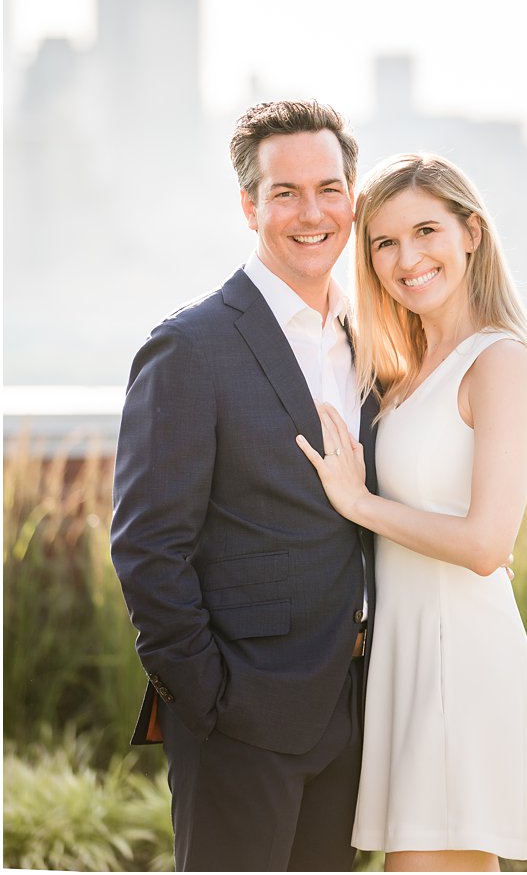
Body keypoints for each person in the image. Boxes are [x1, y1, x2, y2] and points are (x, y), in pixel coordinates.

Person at [112, 100, 376, 870]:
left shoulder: (366, 339)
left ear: (352, 196)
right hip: (240, 722)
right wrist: (212, 701)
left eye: (328, 188)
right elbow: (148, 549)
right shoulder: (189, 347)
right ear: (249, 205)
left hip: (353, 711)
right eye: (285, 192)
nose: (310, 211)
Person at [296, 152, 527, 871]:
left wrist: (360, 503)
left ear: (470, 232)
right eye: (384, 242)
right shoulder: (405, 367)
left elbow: (486, 543)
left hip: (460, 657)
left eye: (426, 231)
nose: (406, 258)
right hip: (407, 653)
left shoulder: (499, 360)